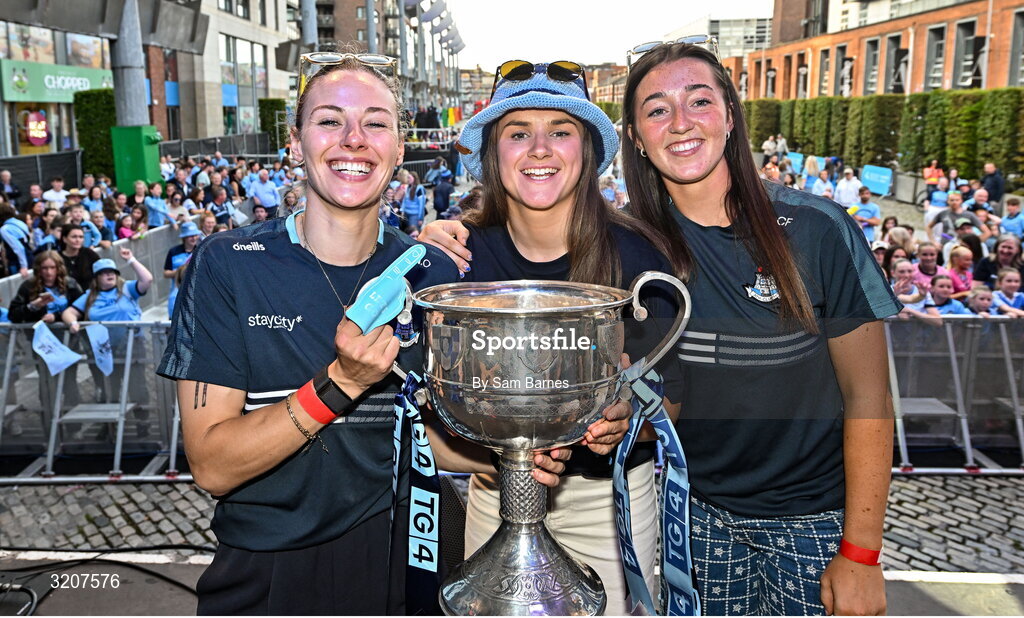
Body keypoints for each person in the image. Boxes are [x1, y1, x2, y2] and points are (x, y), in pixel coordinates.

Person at [155, 51, 566, 616]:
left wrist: (506, 456)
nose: (353, 139)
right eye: (329, 120)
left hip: (410, 557)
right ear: (295, 144)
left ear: (399, 150)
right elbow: (213, 464)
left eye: (375, 122)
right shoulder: (229, 264)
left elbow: (417, 438)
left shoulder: (433, 272)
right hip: (269, 567)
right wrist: (338, 384)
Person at [619, 42, 896, 615]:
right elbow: (659, 404)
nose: (680, 123)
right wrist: (451, 235)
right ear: (635, 137)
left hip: (812, 524)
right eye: (656, 109)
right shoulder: (627, 246)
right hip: (690, 521)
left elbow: (868, 394)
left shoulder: (817, 229)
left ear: (729, 114)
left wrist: (862, 552)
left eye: (699, 100)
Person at [418, 59, 678, 615]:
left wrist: (631, 420)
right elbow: (422, 408)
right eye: (518, 133)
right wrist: (411, 257)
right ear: (492, 153)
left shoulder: (637, 255)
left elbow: (675, 400)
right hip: (493, 492)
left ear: (586, 153)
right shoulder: (457, 257)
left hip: (606, 504)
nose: (540, 149)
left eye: (560, 131)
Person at [60, 224, 101, 290]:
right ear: (64, 239)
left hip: (90, 295)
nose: (78, 240)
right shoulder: (58, 258)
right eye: (74, 237)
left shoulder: (89, 254)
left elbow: (101, 272)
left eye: (81, 237)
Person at [0, 204, 32, 277]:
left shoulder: (5, 229)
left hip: (17, 263)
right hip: (29, 257)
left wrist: (23, 266)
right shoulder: (20, 223)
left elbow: (18, 248)